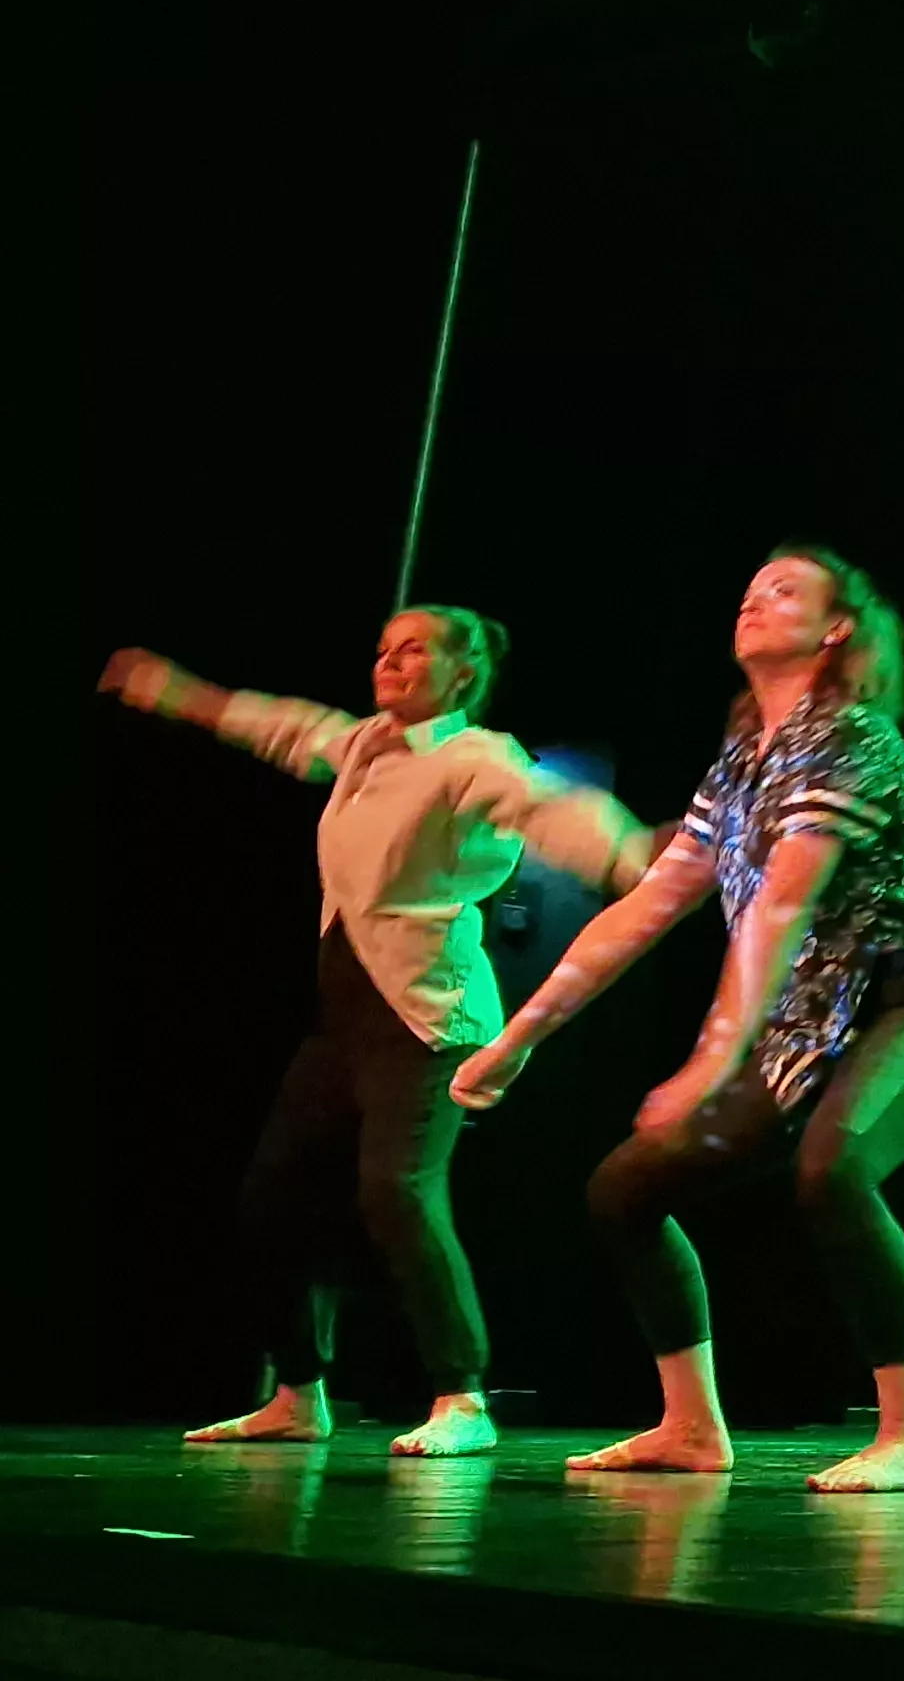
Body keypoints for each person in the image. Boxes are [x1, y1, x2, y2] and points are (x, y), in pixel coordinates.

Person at [455, 548, 904, 1494]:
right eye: (748, 588)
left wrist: (710, 1059)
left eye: (784, 591)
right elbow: (647, 907)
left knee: (835, 1169)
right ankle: (692, 1425)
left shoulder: (856, 739)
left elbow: (782, 905)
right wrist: (517, 1035)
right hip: (791, 1037)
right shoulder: (741, 766)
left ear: (835, 631)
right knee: (622, 1192)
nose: (754, 599)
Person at [100, 614, 649, 1460]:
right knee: (271, 1199)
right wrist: (179, 695)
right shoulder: (361, 746)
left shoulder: (474, 757)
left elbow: (550, 808)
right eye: (386, 647)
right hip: (344, 1020)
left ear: (463, 677)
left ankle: (462, 1397)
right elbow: (274, 723)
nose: (391, 660)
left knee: (396, 1191)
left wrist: (630, 855)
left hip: (428, 1016)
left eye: (416, 648)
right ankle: (297, 1394)